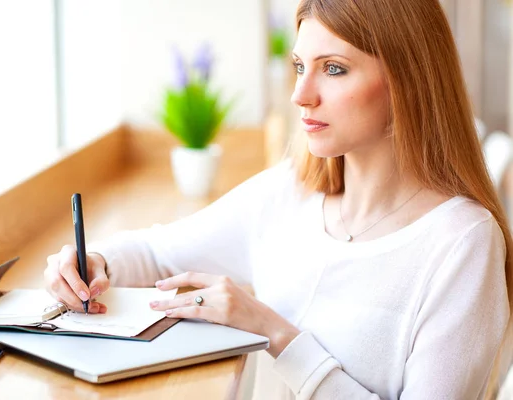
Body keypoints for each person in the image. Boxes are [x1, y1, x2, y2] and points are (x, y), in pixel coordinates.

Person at [44, 0, 513, 398]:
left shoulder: (463, 244)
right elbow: (156, 254)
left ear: (408, 81)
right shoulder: (291, 192)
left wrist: (275, 334)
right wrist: (93, 262)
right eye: (299, 67)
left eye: (333, 69)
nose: (300, 95)